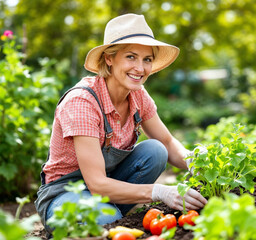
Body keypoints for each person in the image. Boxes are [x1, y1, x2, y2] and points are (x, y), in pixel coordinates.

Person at [34, 13, 207, 232]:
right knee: (108, 217)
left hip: (106, 186)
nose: (140, 68)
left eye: (147, 59)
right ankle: (93, 219)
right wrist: (160, 191)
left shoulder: (137, 95)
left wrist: (196, 163)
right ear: (109, 58)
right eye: (131, 57)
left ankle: (108, 215)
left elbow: (167, 140)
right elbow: (96, 184)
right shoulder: (82, 102)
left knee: (156, 150)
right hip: (65, 194)